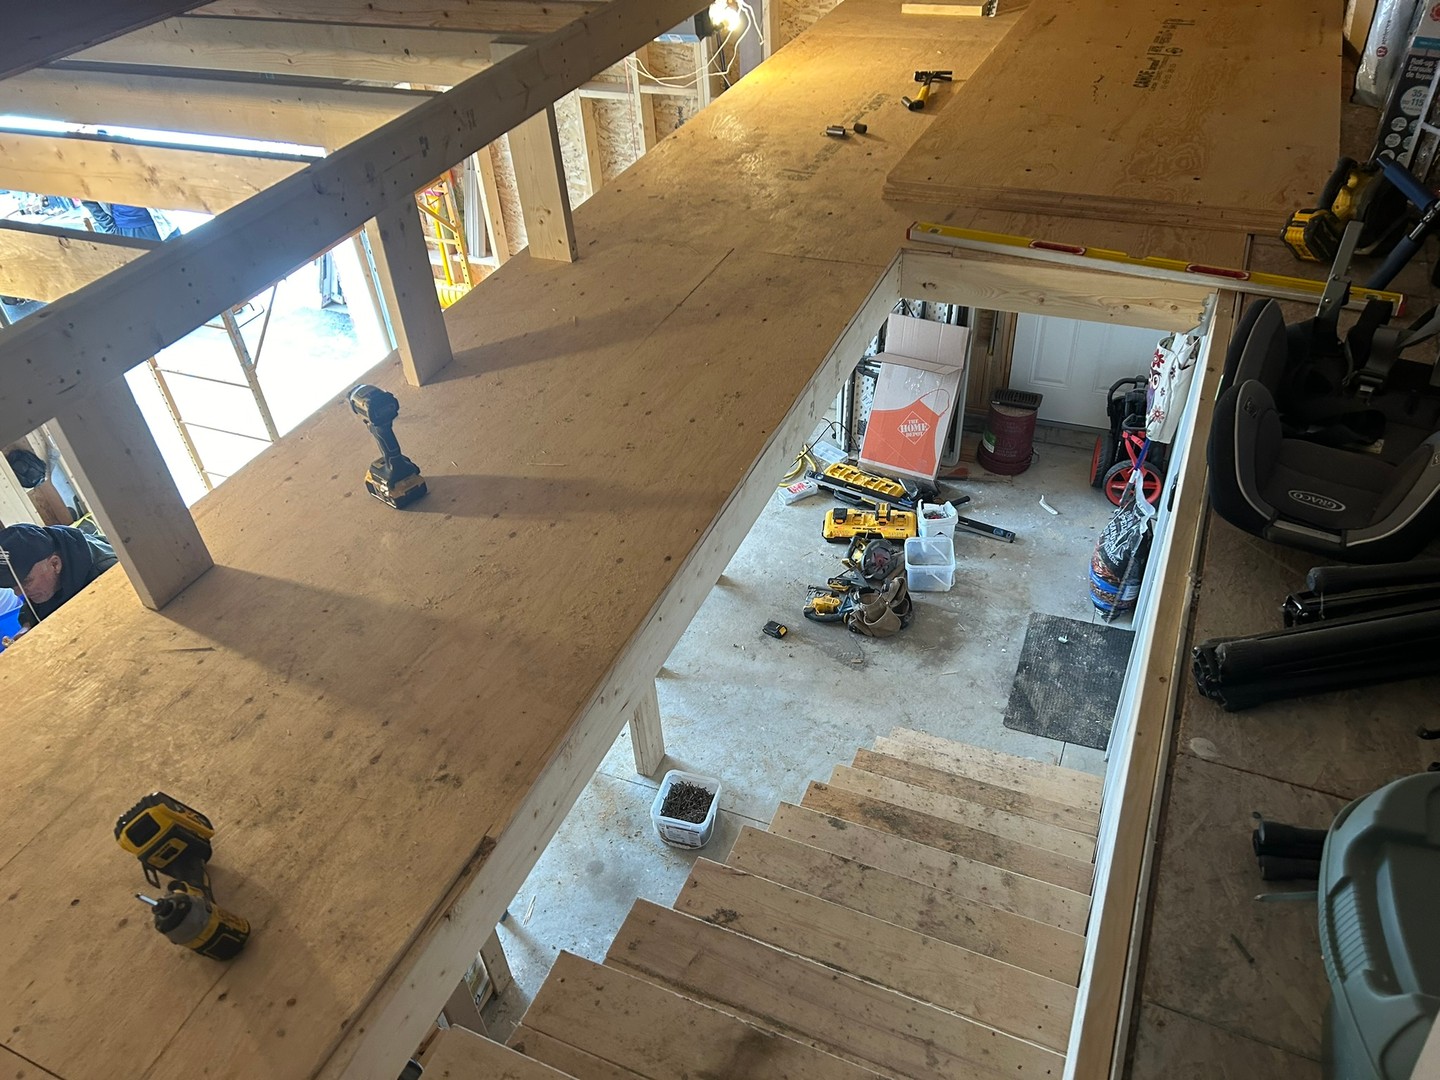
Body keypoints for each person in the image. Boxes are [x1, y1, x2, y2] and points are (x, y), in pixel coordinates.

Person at [0, 522, 118, 625]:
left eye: (25, 582)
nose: (18, 593)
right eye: (13, 586)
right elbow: (35, 606)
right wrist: (28, 626)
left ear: (55, 564)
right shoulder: (43, 580)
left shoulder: (108, 573)